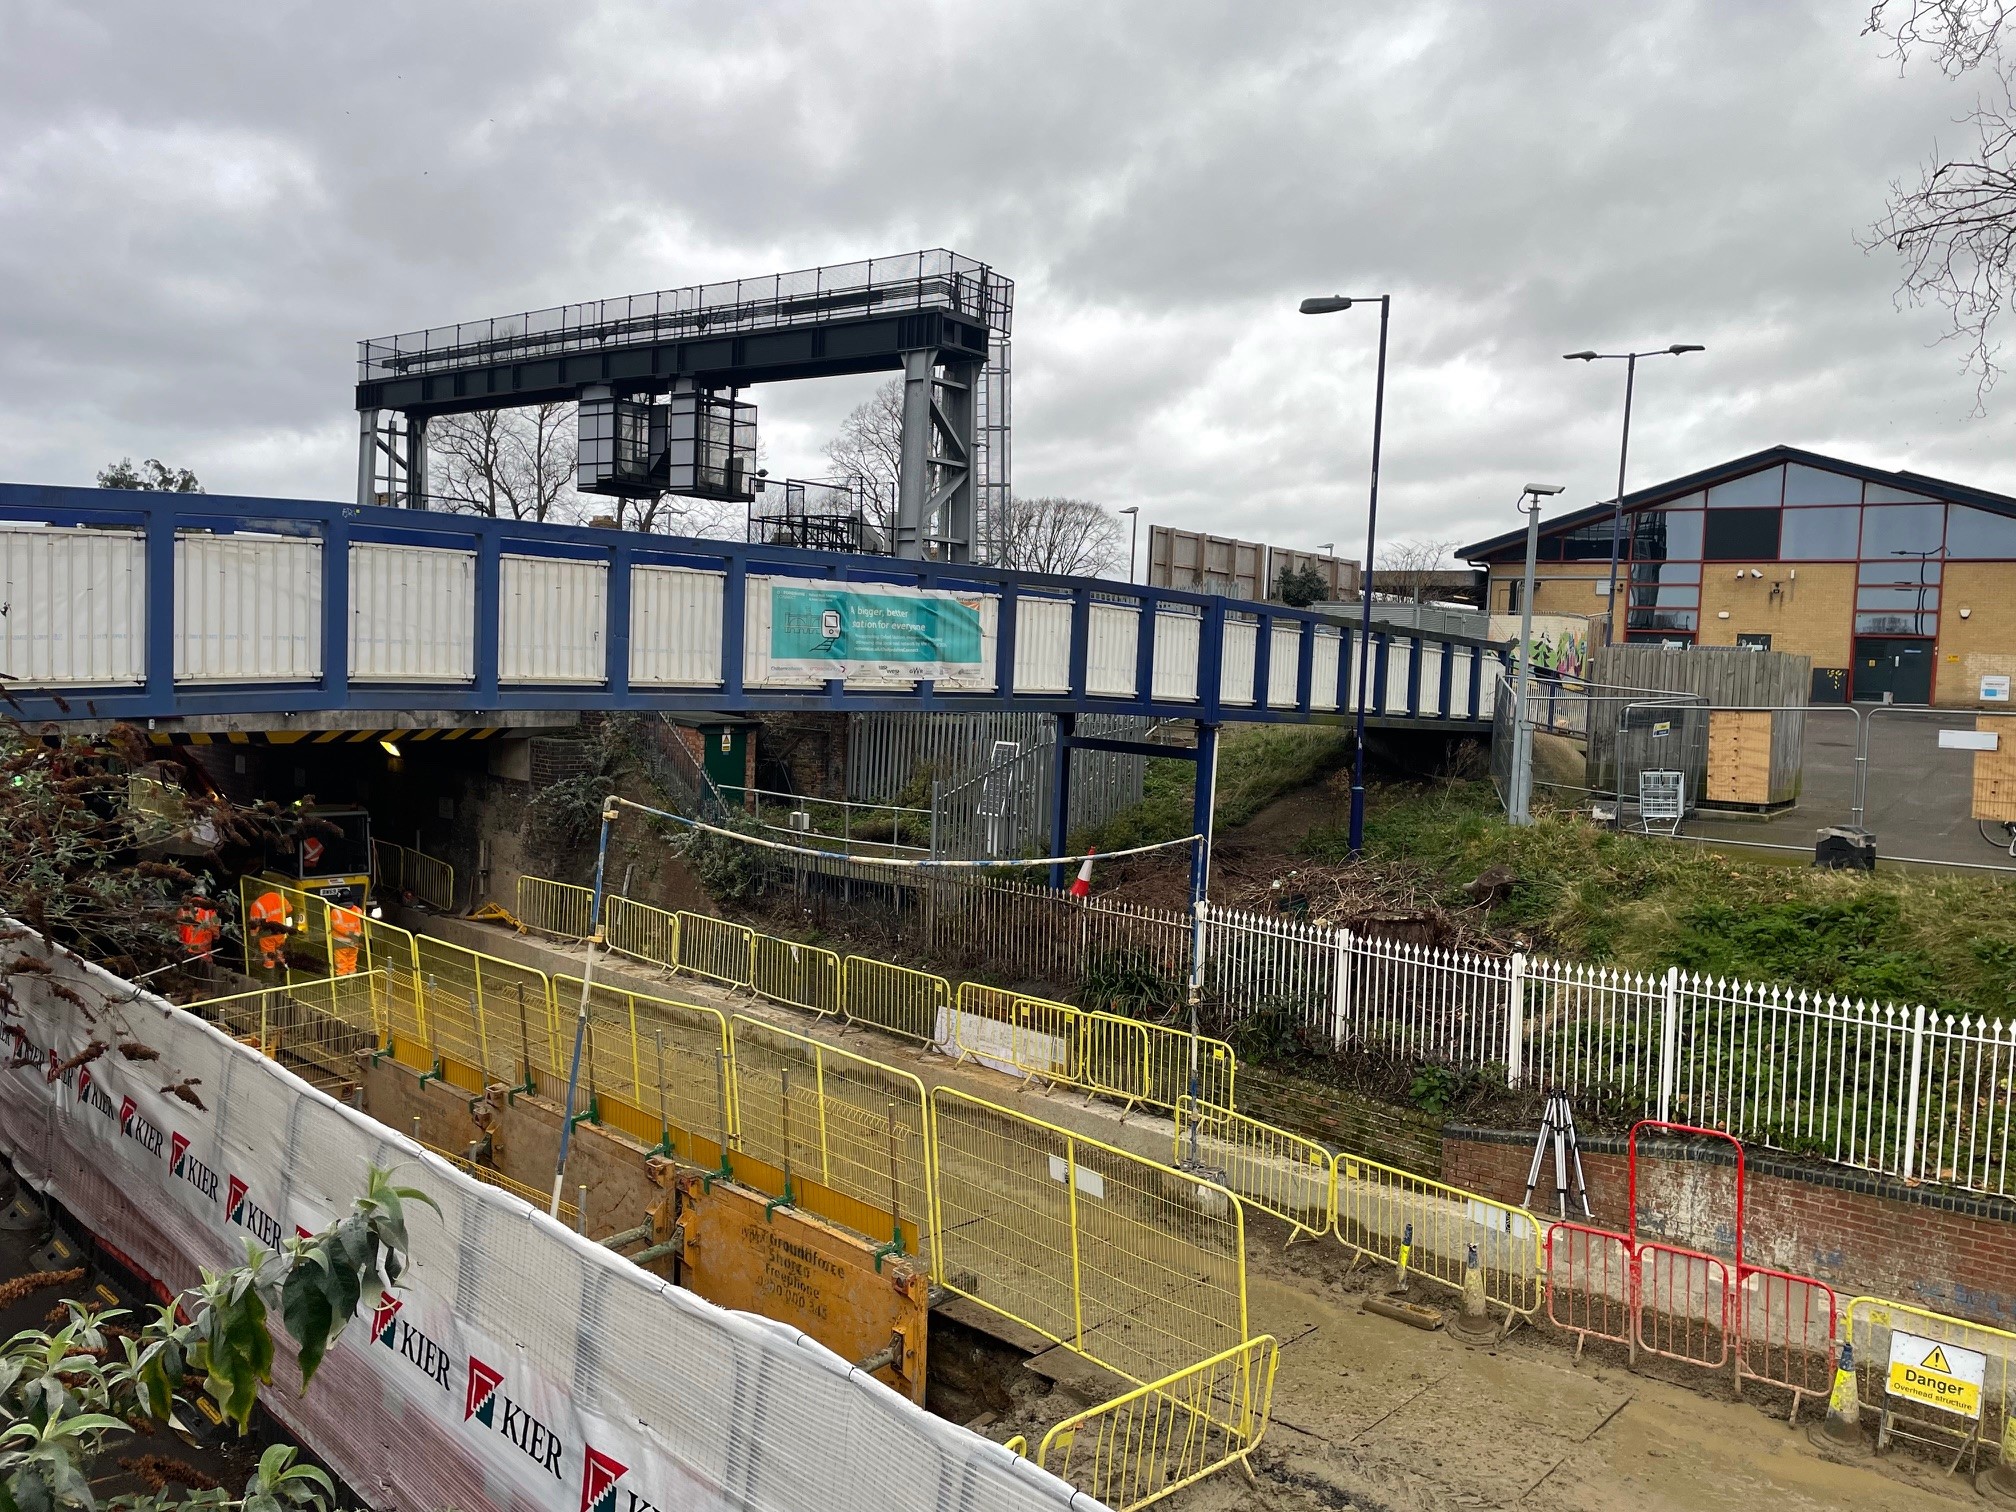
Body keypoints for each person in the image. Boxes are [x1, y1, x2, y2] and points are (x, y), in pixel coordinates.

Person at [248, 889, 292, 973]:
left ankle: (270, 981)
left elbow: (254, 926)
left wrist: (253, 939)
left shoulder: (256, 904)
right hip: (280, 933)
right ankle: (283, 980)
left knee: (269, 959)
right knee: (280, 956)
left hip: (266, 936)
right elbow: (289, 909)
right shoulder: (279, 897)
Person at [177, 884, 221, 964]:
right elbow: (215, 926)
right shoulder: (211, 910)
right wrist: (216, 937)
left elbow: (177, 926)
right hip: (203, 948)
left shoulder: (183, 908)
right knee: (206, 968)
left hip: (186, 947)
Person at [330, 902, 364, 977]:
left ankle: (342, 980)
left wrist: (348, 933)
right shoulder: (358, 910)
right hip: (354, 941)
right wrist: (354, 936)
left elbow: (336, 926)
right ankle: (352, 978)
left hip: (341, 942)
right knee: (352, 962)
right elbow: (358, 926)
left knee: (341, 963)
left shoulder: (335, 911)